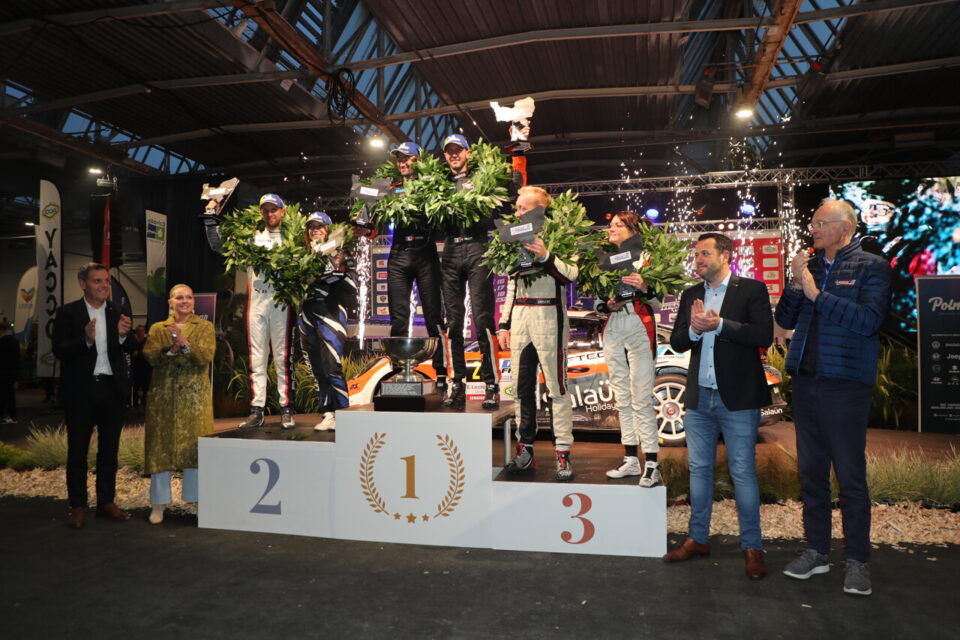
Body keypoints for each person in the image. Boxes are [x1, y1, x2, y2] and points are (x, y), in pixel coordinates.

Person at [775, 199, 892, 597]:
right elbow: (786, 320)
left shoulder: (871, 266)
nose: (813, 230)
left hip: (845, 387)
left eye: (820, 223)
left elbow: (869, 321)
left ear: (844, 228)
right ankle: (817, 551)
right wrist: (796, 285)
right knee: (811, 475)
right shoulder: (810, 267)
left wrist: (816, 294)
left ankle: (857, 561)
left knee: (850, 478)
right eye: (813, 224)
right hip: (806, 384)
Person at [665, 233, 772, 580]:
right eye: (696, 255)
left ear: (726, 255)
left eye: (705, 254)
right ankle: (698, 539)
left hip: (738, 398)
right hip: (699, 397)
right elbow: (677, 340)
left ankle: (752, 547)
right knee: (699, 471)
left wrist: (721, 325)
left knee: (742, 472)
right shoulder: (691, 295)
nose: (698, 260)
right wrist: (695, 330)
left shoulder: (751, 290)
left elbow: (763, 335)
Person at [440, 131, 526, 410]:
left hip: (478, 247)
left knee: (482, 318)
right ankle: (456, 383)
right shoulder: (438, 184)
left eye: (458, 150)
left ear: (468, 153)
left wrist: (518, 154)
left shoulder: (483, 179)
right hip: (451, 250)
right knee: (453, 322)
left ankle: (491, 385)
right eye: (449, 151)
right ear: (445, 156)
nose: (454, 154)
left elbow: (513, 193)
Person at [498, 186, 579, 481]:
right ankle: (526, 451)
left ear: (541, 209)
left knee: (556, 389)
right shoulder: (513, 239)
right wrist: (504, 325)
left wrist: (546, 254)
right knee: (522, 391)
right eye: (517, 208)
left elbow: (572, 274)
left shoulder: (562, 234)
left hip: (550, 315)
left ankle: (563, 454)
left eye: (523, 208)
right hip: (521, 317)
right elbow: (510, 286)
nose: (518, 213)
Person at [52, 262, 138, 529]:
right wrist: (86, 341)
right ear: (83, 284)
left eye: (106, 281)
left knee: (109, 451)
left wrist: (124, 337)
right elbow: (59, 350)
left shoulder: (117, 311)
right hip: (81, 392)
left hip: (112, 391)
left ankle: (106, 503)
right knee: (77, 451)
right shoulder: (68, 313)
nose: (104, 286)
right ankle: (78, 506)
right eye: (98, 281)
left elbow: (133, 346)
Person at [204, 193, 295, 429]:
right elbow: (218, 245)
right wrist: (211, 217)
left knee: (283, 358)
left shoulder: (293, 237)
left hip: (280, 305)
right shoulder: (251, 237)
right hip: (256, 305)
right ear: (260, 213)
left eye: (274, 209)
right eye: (265, 209)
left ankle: (286, 409)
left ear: (283, 212)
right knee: (257, 358)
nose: (270, 213)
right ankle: (257, 410)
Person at [142, 284, 215, 524]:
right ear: (170, 303)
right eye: (179, 297)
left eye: (189, 297)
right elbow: (150, 356)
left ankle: (196, 501)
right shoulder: (158, 328)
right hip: (163, 399)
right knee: (160, 450)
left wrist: (184, 343)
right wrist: (170, 350)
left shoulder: (205, 327)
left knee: (194, 450)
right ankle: (158, 504)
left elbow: (206, 356)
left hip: (194, 400)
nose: (185, 301)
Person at [599, 212, 661, 487]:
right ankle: (631, 459)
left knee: (641, 399)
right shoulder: (603, 260)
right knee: (622, 399)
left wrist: (645, 287)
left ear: (632, 230)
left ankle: (652, 464)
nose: (611, 229)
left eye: (617, 225)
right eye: (610, 225)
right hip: (614, 325)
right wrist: (607, 305)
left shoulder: (645, 257)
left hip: (639, 324)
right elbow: (598, 301)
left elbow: (658, 300)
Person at [383, 141, 449, 389]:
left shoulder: (433, 186)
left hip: (426, 254)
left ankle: (441, 372)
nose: (401, 162)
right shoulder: (391, 187)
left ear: (419, 161)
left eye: (407, 158)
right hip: (399, 254)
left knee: (434, 316)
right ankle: (399, 372)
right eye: (398, 158)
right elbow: (370, 219)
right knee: (399, 317)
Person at [299, 211, 357, 431]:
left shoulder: (341, 252)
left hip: (331, 312)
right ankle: (327, 413)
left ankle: (344, 413)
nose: (315, 230)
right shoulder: (300, 254)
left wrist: (337, 274)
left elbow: (353, 287)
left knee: (332, 366)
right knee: (316, 368)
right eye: (311, 227)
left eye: (320, 226)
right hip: (306, 315)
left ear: (328, 229)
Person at [0, 322, 19, 424]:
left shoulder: (4, 342)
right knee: (9, 395)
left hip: (4, 372)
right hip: (10, 372)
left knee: (4, 395)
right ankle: (12, 415)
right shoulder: (14, 340)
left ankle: (5, 415)